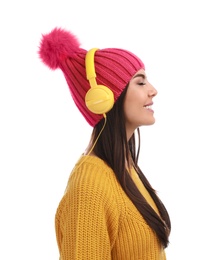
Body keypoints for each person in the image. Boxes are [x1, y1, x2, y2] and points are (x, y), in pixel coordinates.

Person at [38, 27, 171, 260]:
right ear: (104, 99)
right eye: (140, 83)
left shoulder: (125, 170)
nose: (153, 91)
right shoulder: (90, 186)